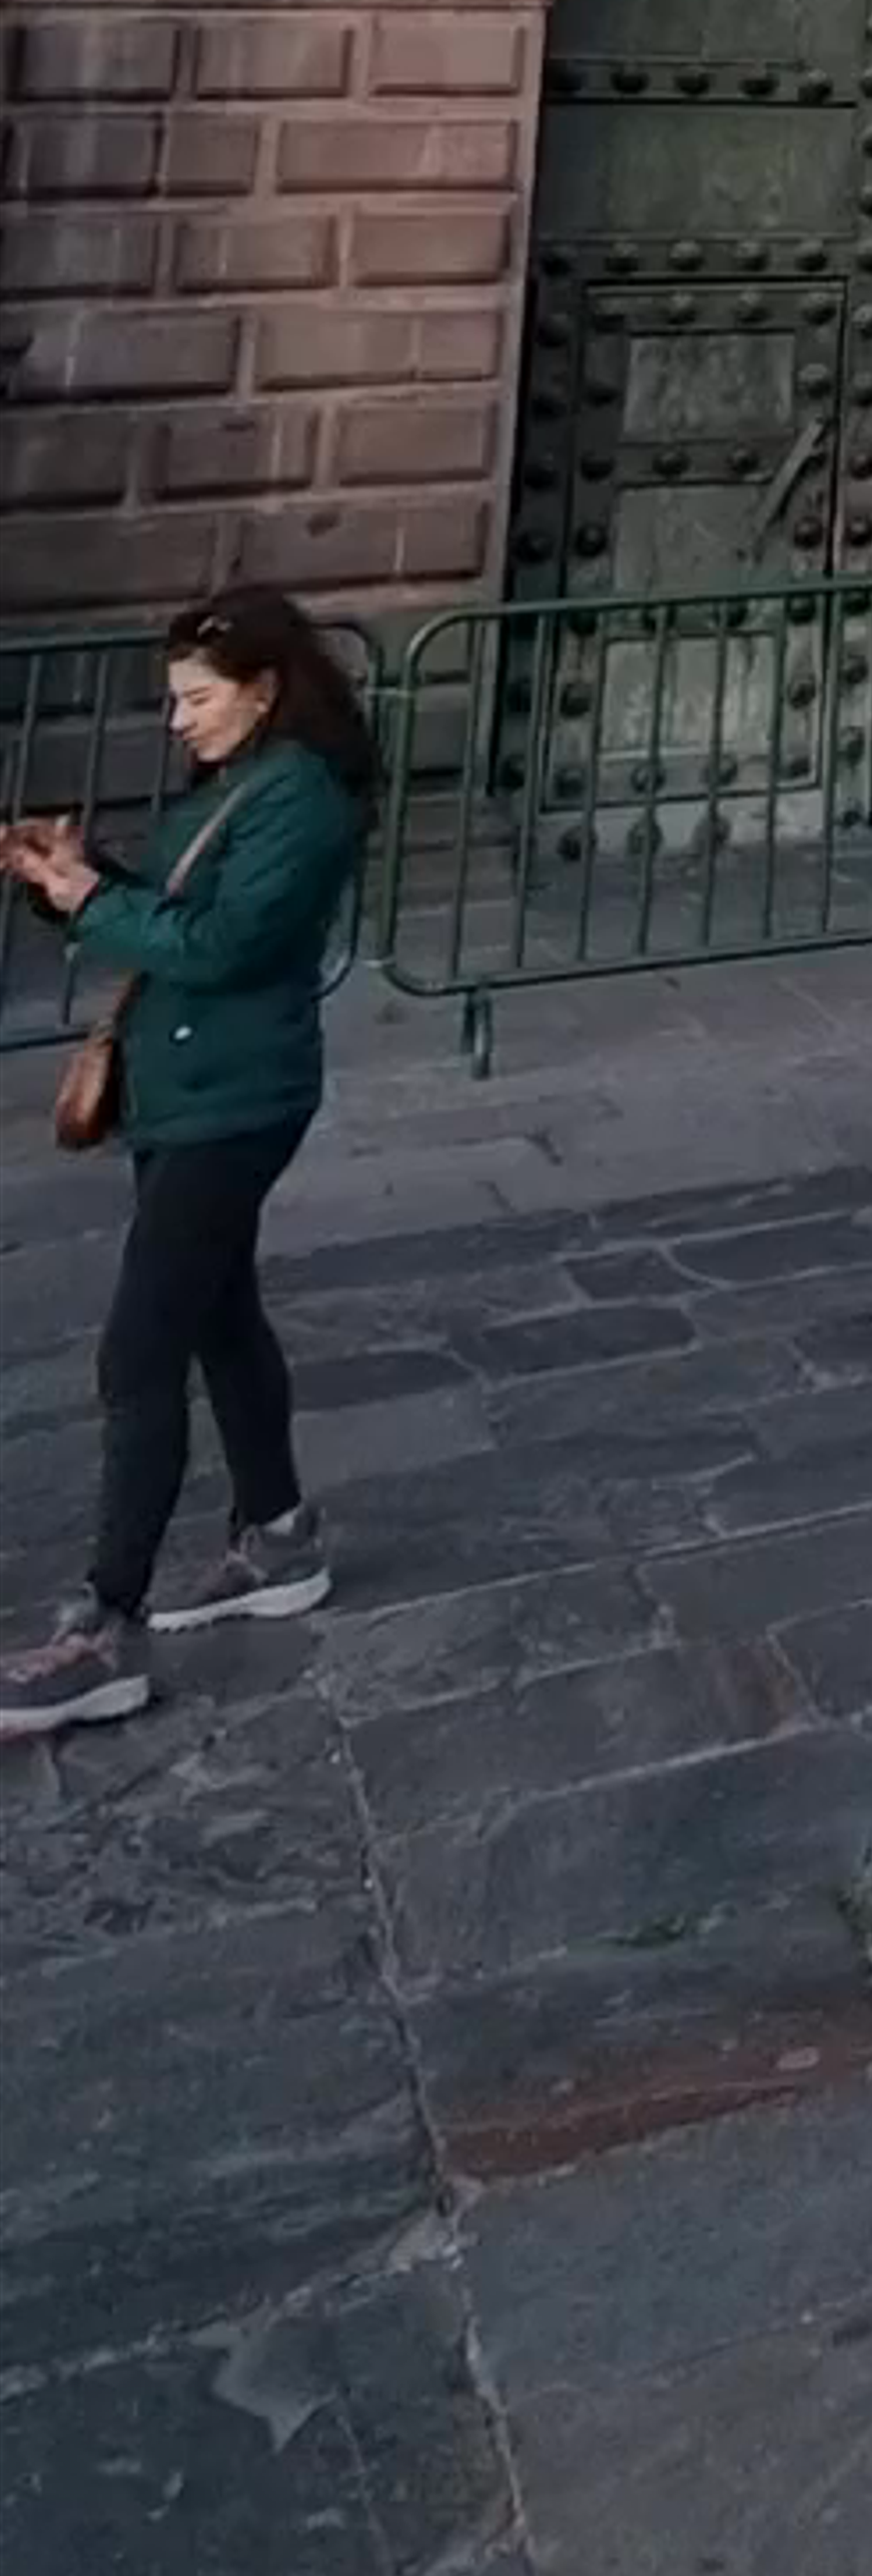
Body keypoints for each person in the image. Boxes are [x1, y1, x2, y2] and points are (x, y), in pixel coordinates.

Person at [0, 589, 379, 1740]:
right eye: (176, 699)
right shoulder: (232, 787)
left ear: (264, 690)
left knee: (141, 1343)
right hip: (184, 1087)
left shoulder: (301, 800)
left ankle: (98, 1630)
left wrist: (88, 901)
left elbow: (221, 946)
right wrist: (70, 877)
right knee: (217, 1313)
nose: (180, 720)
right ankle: (276, 1534)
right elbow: (171, 907)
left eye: (198, 699)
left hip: (237, 1097)